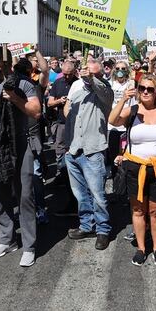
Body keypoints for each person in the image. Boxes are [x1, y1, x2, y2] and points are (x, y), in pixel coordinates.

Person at [0, 46, 42, 267]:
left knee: (24, 195)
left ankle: (29, 245)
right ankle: (6, 239)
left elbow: (36, 112)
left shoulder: (23, 83)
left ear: (4, 62)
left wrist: (15, 98)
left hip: (20, 143)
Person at [108, 74, 156, 266]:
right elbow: (112, 120)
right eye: (142, 88)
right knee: (138, 210)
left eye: (150, 89)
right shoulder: (133, 110)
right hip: (135, 167)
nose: (145, 92)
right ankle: (140, 248)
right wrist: (122, 99)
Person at [63, 56, 114, 250]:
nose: (87, 75)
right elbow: (68, 113)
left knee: (98, 195)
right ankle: (87, 225)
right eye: (85, 72)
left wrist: (92, 79)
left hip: (93, 150)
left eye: (92, 73)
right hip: (74, 150)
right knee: (80, 194)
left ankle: (103, 230)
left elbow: (105, 94)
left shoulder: (104, 91)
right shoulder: (76, 91)